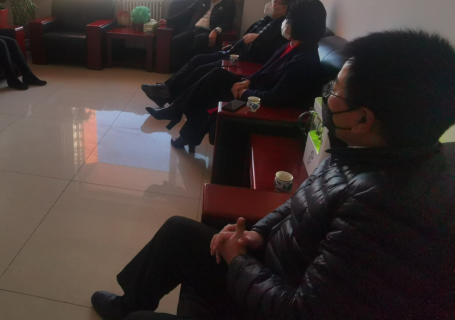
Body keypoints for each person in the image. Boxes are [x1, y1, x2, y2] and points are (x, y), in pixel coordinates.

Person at [91, 29, 455, 320]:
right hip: (272, 264)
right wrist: (257, 234)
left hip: (272, 300)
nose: (327, 99)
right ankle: (126, 304)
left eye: (335, 92)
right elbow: (299, 204)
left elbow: (301, 311)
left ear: (363, 119)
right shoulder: (367, 151)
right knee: (178, 231)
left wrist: (236, 261)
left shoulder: (382, 211)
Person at [147, 0, 327, 151]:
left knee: (215, 92)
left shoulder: (304, 61)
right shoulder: (292, 45)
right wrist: (248, 81)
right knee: (217, 75)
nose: (286, 22)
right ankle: (178, 115)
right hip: (256, 87)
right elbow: (265, 69)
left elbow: (275, 98)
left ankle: (182, 123)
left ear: (303, 24)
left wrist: (244, 92)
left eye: (290, 18)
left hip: (263, 102)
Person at [142, 0, 299, 107]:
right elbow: (246, 37)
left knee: (202, 68)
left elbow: (272, 53)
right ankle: (166, 89)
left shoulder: (284, 28)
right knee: (197, 59)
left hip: (244, 60)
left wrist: (258, 38)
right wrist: (234, 44)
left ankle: (171, 96)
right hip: (234, 50)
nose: (271, 4)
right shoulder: (268, 20)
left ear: (285, 7)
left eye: (275, 1)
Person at [161, 0, 235, 71]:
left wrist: (216, 31)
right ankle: (180, 71)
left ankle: (193, 70)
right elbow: (186, 13)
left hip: (208, 32)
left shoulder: (229, 5)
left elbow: (227, 23)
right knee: (176, 40)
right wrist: (167, 20)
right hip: (194, 29)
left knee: (199, 40)